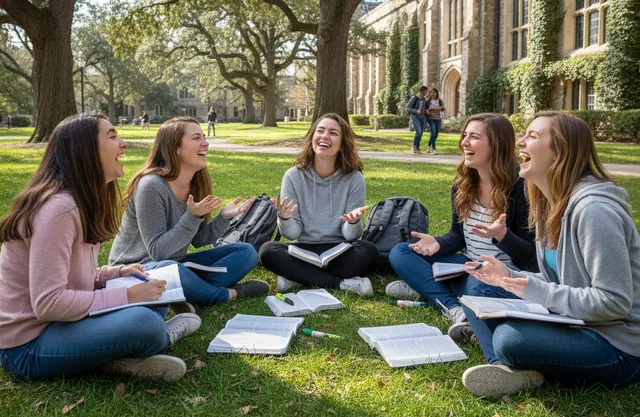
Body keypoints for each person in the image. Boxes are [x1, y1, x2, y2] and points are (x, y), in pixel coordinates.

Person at [0, 114, 201, 382]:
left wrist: (117, 273)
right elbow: (48, 303)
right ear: (85, 150)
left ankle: (117, 359)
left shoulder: (78, 201)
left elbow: (75, 277)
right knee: (146, 324)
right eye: (112, 136)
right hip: (28, 345)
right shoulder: (58, 210)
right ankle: (156, 339)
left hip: (61, 324)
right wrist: (128, 296)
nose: (123, 143)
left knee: (155, 295)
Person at [460, 111, 640, 398]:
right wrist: (510, 276)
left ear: (559, 153)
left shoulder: (594, 210)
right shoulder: (548, 205)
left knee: (509, 339)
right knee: (478, 289)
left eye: (532, 136)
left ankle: (504, 358)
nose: (520, 142)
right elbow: (552, 278)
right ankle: (509, 369)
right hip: (574, 319)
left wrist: (534, 290)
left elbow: (615, 303)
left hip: (617, 343)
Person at [387, 113, 536, 333]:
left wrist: (502, 236)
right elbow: (458, 235)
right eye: (465, 135)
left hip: (501, 275)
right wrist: (437, 244)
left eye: (474, 137)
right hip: (468, 264)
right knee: (401, 252)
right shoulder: (463, 184)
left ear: (497, 145)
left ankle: (431, 288)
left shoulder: (522, 187)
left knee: (477, 285)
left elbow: (529, 256)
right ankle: (454, 306)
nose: (464, 142)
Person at [109, 117, 266, 307]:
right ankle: (226, 294)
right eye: (196, 137)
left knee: (246, 251)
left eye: (205, 137)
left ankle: (189, 292)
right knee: (173, 270)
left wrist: (223, 217)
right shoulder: (151, 186)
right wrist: (191, 217)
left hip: (177, 263)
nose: (205, 143)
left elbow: (198, 239)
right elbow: (158, 252)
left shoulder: (196, 183)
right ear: (175, 147)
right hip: (135, 269)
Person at [259, 113, 379, 296]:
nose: (324, 136)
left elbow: (350, 235)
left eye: (333, 133)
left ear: (342, 144)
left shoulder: (354, 178)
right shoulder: (293, 176)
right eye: (320, 131)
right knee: (268, 251)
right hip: (303, 249)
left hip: (338, 251)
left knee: (368, 250)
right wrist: (284, 218)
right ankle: (341, 284)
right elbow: (292, 234)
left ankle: (297, 277)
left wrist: (354, 222)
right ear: (312, 137)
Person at [406, 86, 429, 154]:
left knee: (420, 133)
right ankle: (413, 146)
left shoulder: (424, 99)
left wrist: (426, 111)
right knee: (418, 132)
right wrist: (416, 111)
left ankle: (417, 147)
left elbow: (423, 107)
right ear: (422, 91)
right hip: (415, 117)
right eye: (426, 91)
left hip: (422, 117)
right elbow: (407, 108)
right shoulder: (414, 98)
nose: (426, 92)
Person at [426, 88, 445, 154]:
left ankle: (428, 145)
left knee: (436, 134)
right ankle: (434, 149)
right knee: (433, 132)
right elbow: (426, 109)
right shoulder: (427, 101)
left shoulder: (439, 101)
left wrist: (433, 108)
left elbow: (442, 108)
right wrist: (427, 111)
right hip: (430, 119)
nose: (432, 94)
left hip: (438, 119)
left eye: (434, 92)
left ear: (436, 93)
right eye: (431, 92)